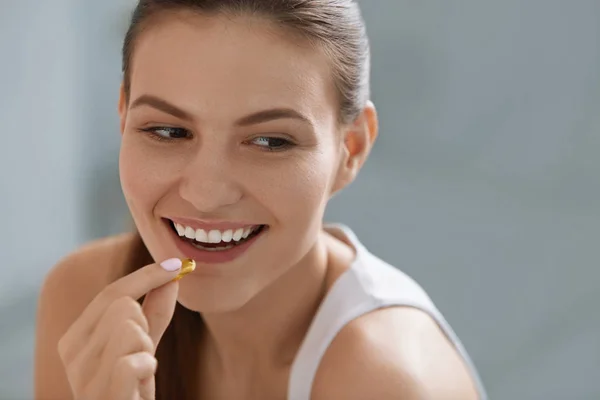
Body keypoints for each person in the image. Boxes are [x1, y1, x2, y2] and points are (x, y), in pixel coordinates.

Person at [34, 1, 487, 399]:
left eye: (270, 141)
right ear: (123, 116)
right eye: (168, 131)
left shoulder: (389, 381)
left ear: (351, 149)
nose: (206, 196)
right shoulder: (82, 299)